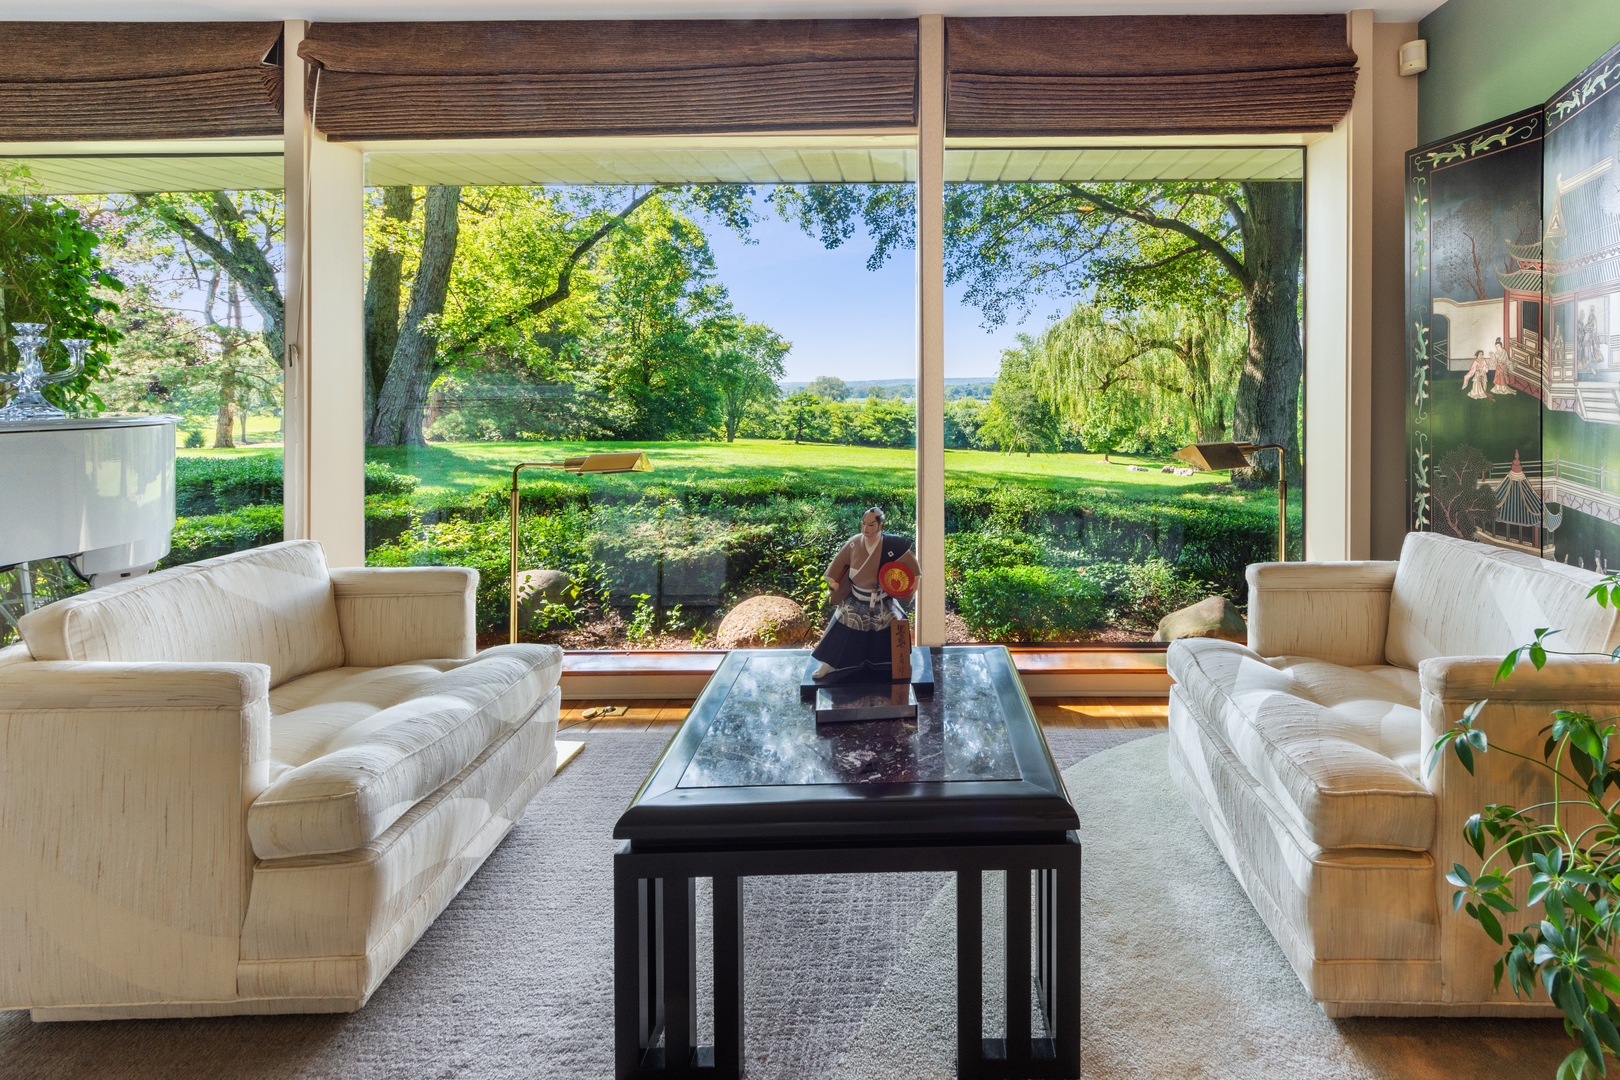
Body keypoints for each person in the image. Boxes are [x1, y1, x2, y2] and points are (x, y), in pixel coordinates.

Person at [810, 506, 921, 680]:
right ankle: (831, 664)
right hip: (857, 598)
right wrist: (833, 581)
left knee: (893, 624)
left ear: (880, 525)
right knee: (844, 625)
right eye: (863, 524)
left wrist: (915, 579)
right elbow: (838, 563)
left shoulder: (891, 544)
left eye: (870, 525)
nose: (865, 528)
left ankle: (894, 663)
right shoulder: (854, 543)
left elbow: (912, 564)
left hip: (883, 600)